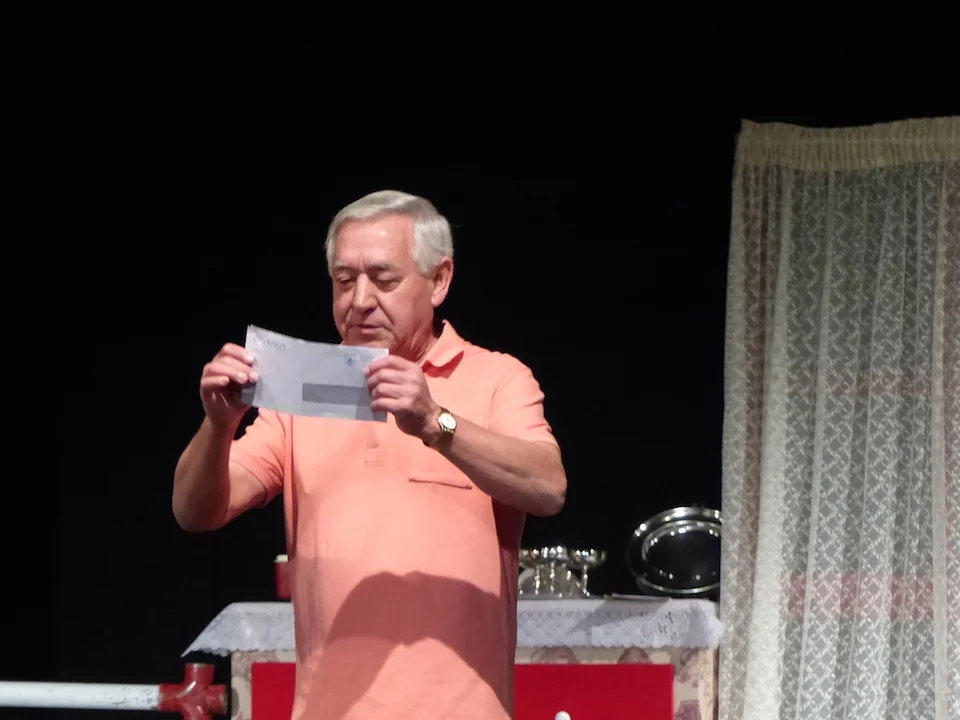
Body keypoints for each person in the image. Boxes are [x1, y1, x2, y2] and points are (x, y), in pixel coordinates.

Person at [172, 190, 567, 720]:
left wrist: (435, 422)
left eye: (384, 279)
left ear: (440, 280)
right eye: (344, 281)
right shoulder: (300, 388)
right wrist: (218, 425)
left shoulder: (498, 377)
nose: (360, 300)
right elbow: (195, 511)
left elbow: (548, 487)